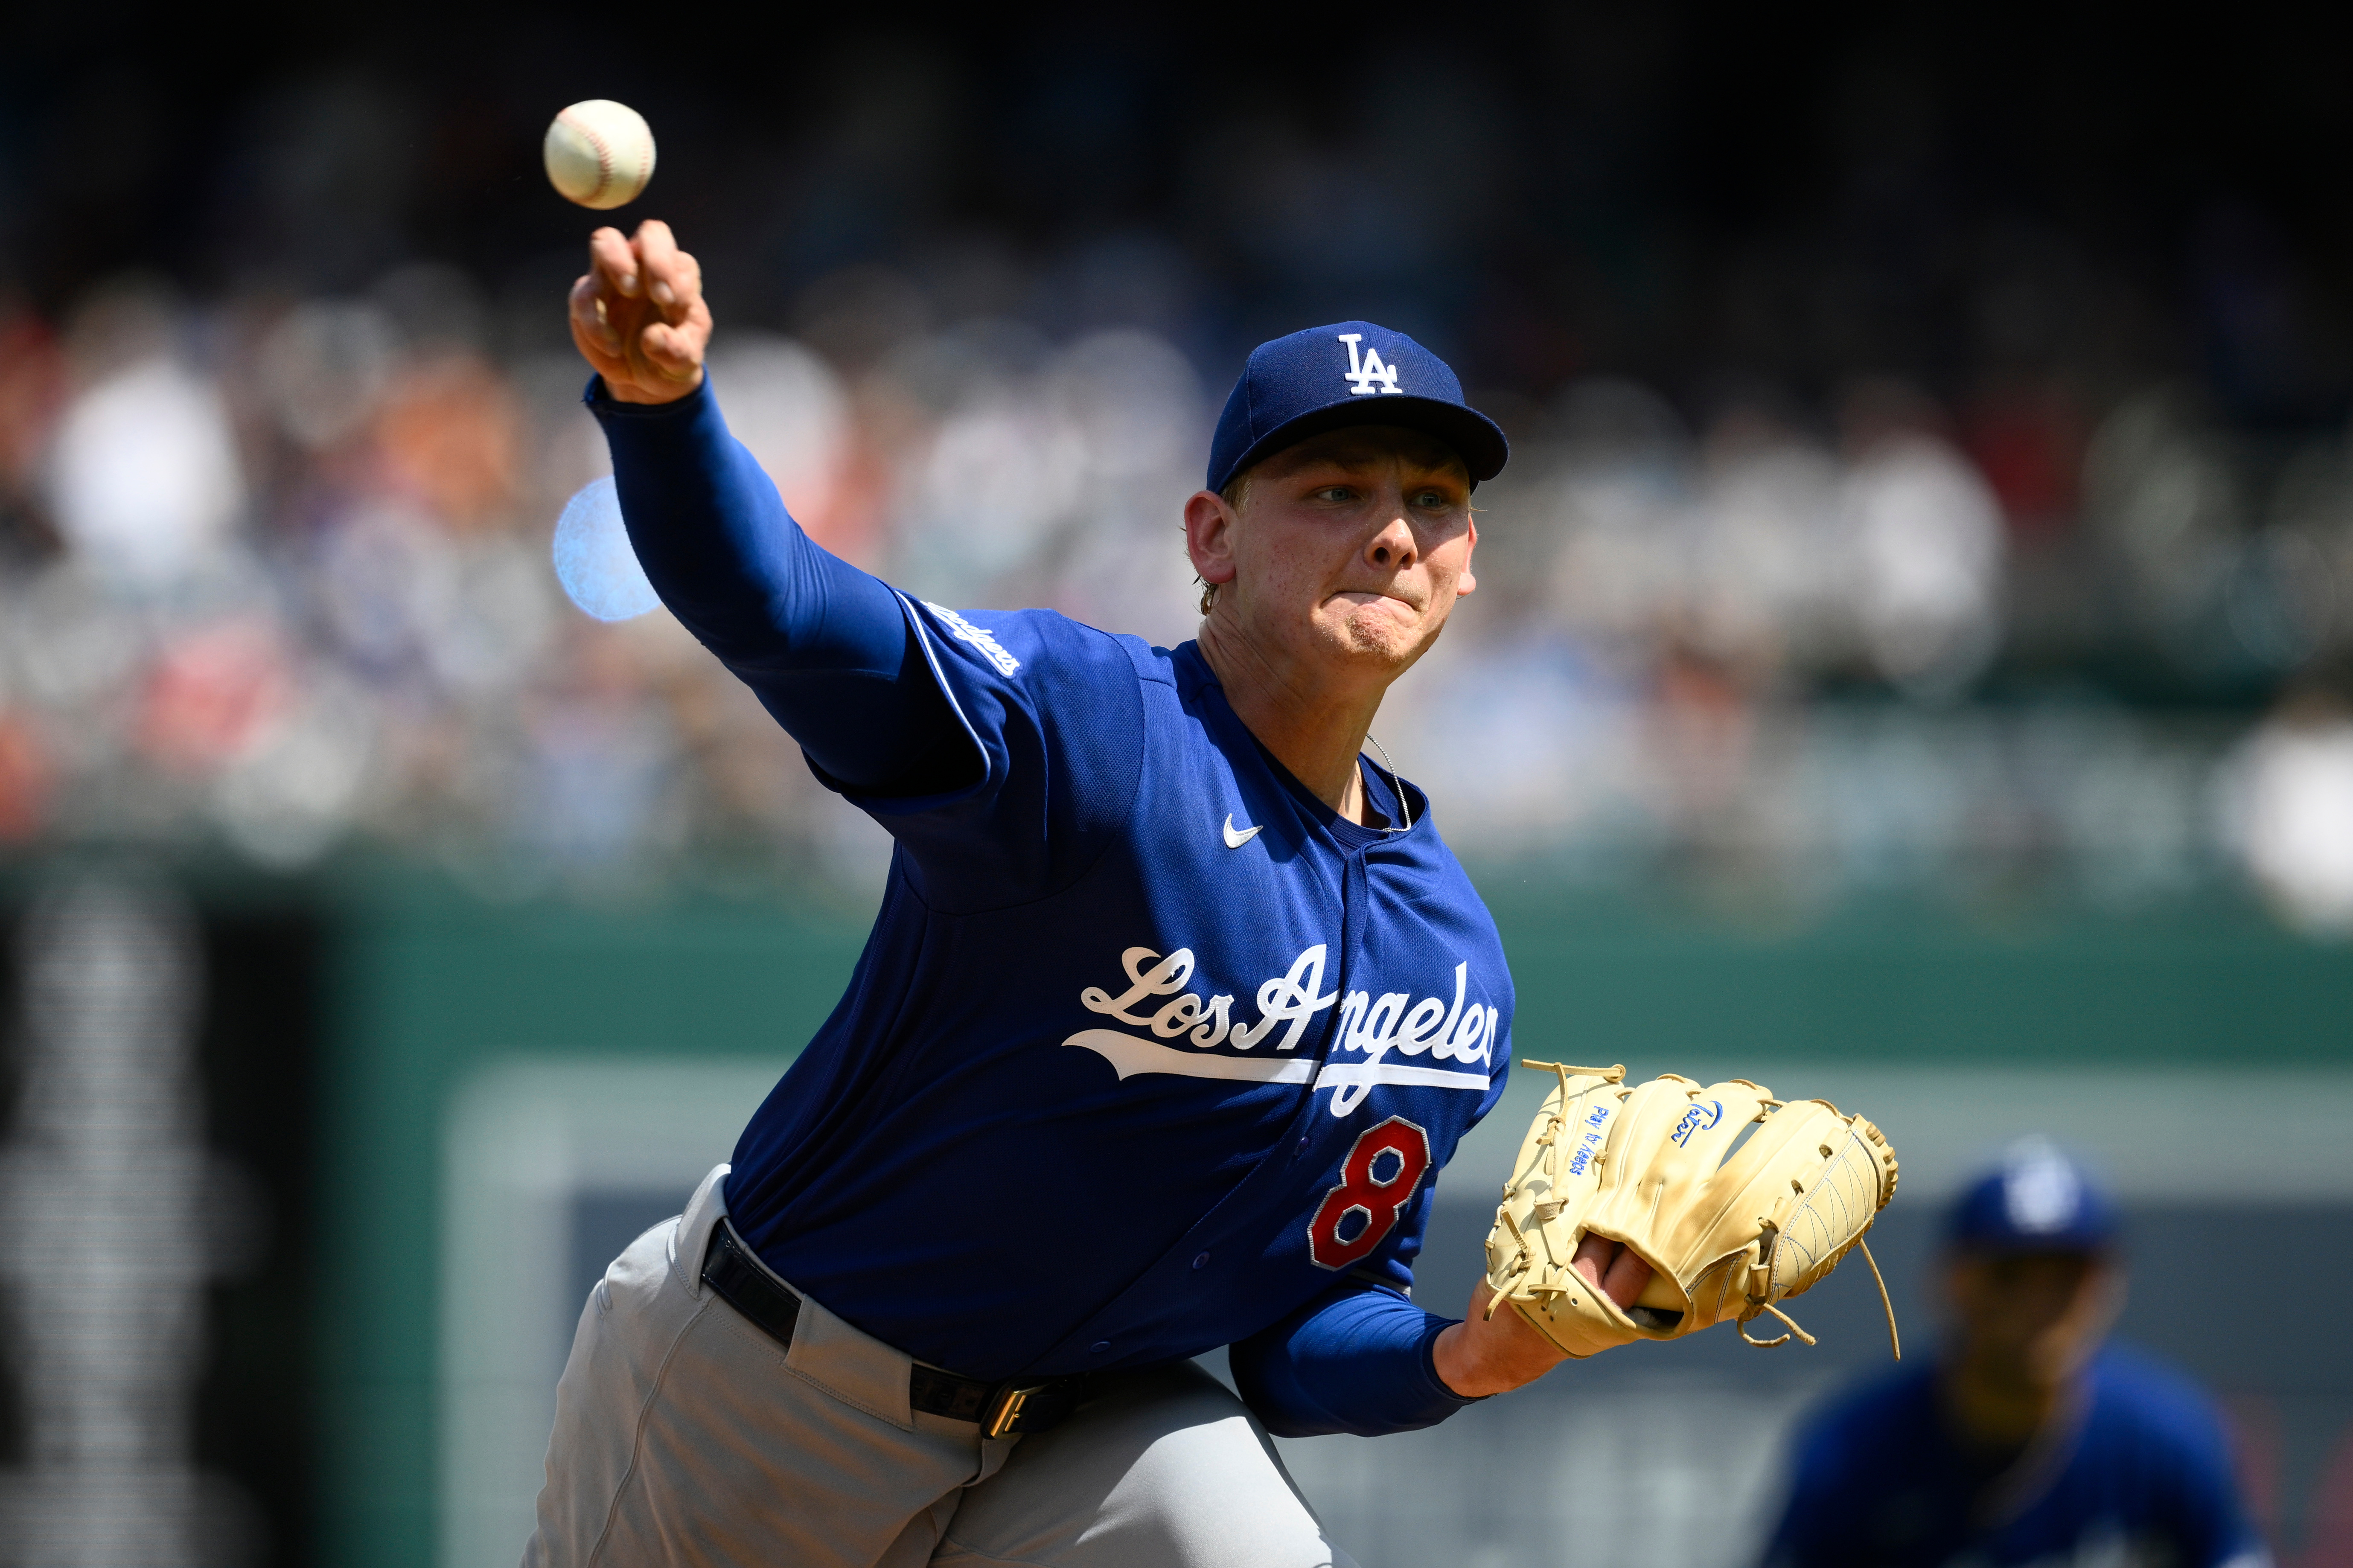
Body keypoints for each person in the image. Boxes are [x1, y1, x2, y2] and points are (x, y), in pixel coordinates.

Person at [523, 219, 1658, 1568]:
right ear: (1213, 537)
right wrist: (663, 415)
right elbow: (786, 609)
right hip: (780, 1389)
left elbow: (1296, 1343)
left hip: (1074, 1444)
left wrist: (1462, 1354)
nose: (1393, 534)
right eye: (1333, 492)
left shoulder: (1453, 962)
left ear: (1469, 560)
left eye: (1432, 500)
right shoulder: (1088, 731)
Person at [1761, 1140, 2269, 1568]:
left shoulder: (2166, 1441)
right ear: (1953, 1282)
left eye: (2068, 1277)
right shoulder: (1853, 1452)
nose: (2040, 1304)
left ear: (2110, 1287)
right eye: (2011, 1275)